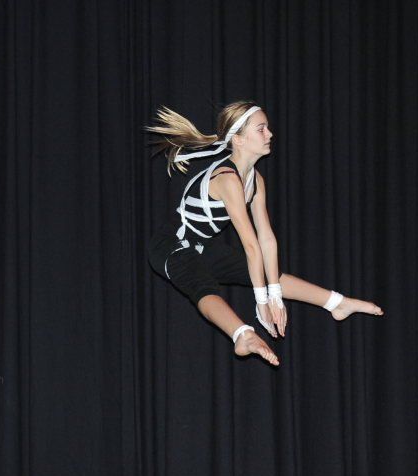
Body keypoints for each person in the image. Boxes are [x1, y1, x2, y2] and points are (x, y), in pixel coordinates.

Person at [145, 102, 382, 365]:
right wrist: (262, 301)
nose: (269, 134)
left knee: (264, 272)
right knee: (203, 284)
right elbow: (250, 244)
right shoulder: (227, 179)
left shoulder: (255, 180)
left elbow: (266, 239)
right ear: (238, 139)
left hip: (200, 244)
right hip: (170, 245)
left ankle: (336, 303)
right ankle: (242, 335)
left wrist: (275, 294)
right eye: (261, 129)